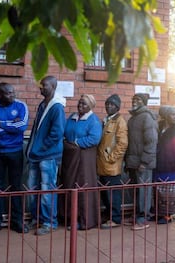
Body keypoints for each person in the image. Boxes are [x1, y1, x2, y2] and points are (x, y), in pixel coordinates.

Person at [0, 83, 29, 236]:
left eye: (13, 92)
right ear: (0, 94)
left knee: (15, 186)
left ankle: (17, 221)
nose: (12, 95)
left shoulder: (21, 106)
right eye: (8, 93)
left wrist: (1, 124)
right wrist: (11, 125)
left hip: (16, 152)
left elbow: (22, 126)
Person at [26, 76, 66, 235]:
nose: (41, 88)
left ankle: (49, 222)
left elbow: (57, 134)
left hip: (48, 156)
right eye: (41, 85)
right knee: (33, 189)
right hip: (36, 155)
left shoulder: (56, 107)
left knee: (47, 190)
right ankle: (36, 218)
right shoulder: (43, 104)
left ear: (54, 87)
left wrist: (40, 148)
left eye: (45, 85)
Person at [61, 94, 102, 230]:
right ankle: (69, 217)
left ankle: (84, 219)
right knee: (69, 184)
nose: (80, 106)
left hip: (85, 157)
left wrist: (76, 143)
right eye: (79, 103)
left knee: (83, 185)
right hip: (70, 157)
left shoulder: (93, 120)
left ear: (90, 106)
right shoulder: (72, 117)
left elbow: (94, 139)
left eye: (84, 104)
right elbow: (65, 132)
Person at [125, 93, 158, 230]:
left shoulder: (147, 117)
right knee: (137, 191)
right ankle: (137, 215)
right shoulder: (133, 118)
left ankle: (143, 218)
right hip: (133, 161)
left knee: (144, 190)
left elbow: (151, 141)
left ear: (144, 102)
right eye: (133, 99)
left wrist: (144, 162)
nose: (134, 101)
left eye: (138, 100)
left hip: (143, 163)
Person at [97, 94, 128, 229]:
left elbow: (122, 144)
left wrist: (111, 158)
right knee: (105, 192)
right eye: (107, 104)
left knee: (113, 193)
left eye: (112, 104)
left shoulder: (120, 121)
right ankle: (108, 215)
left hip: (111, 165)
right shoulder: (106, 120)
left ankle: (115, 218)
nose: (109, 106)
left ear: (117, 107)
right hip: (102, 165)